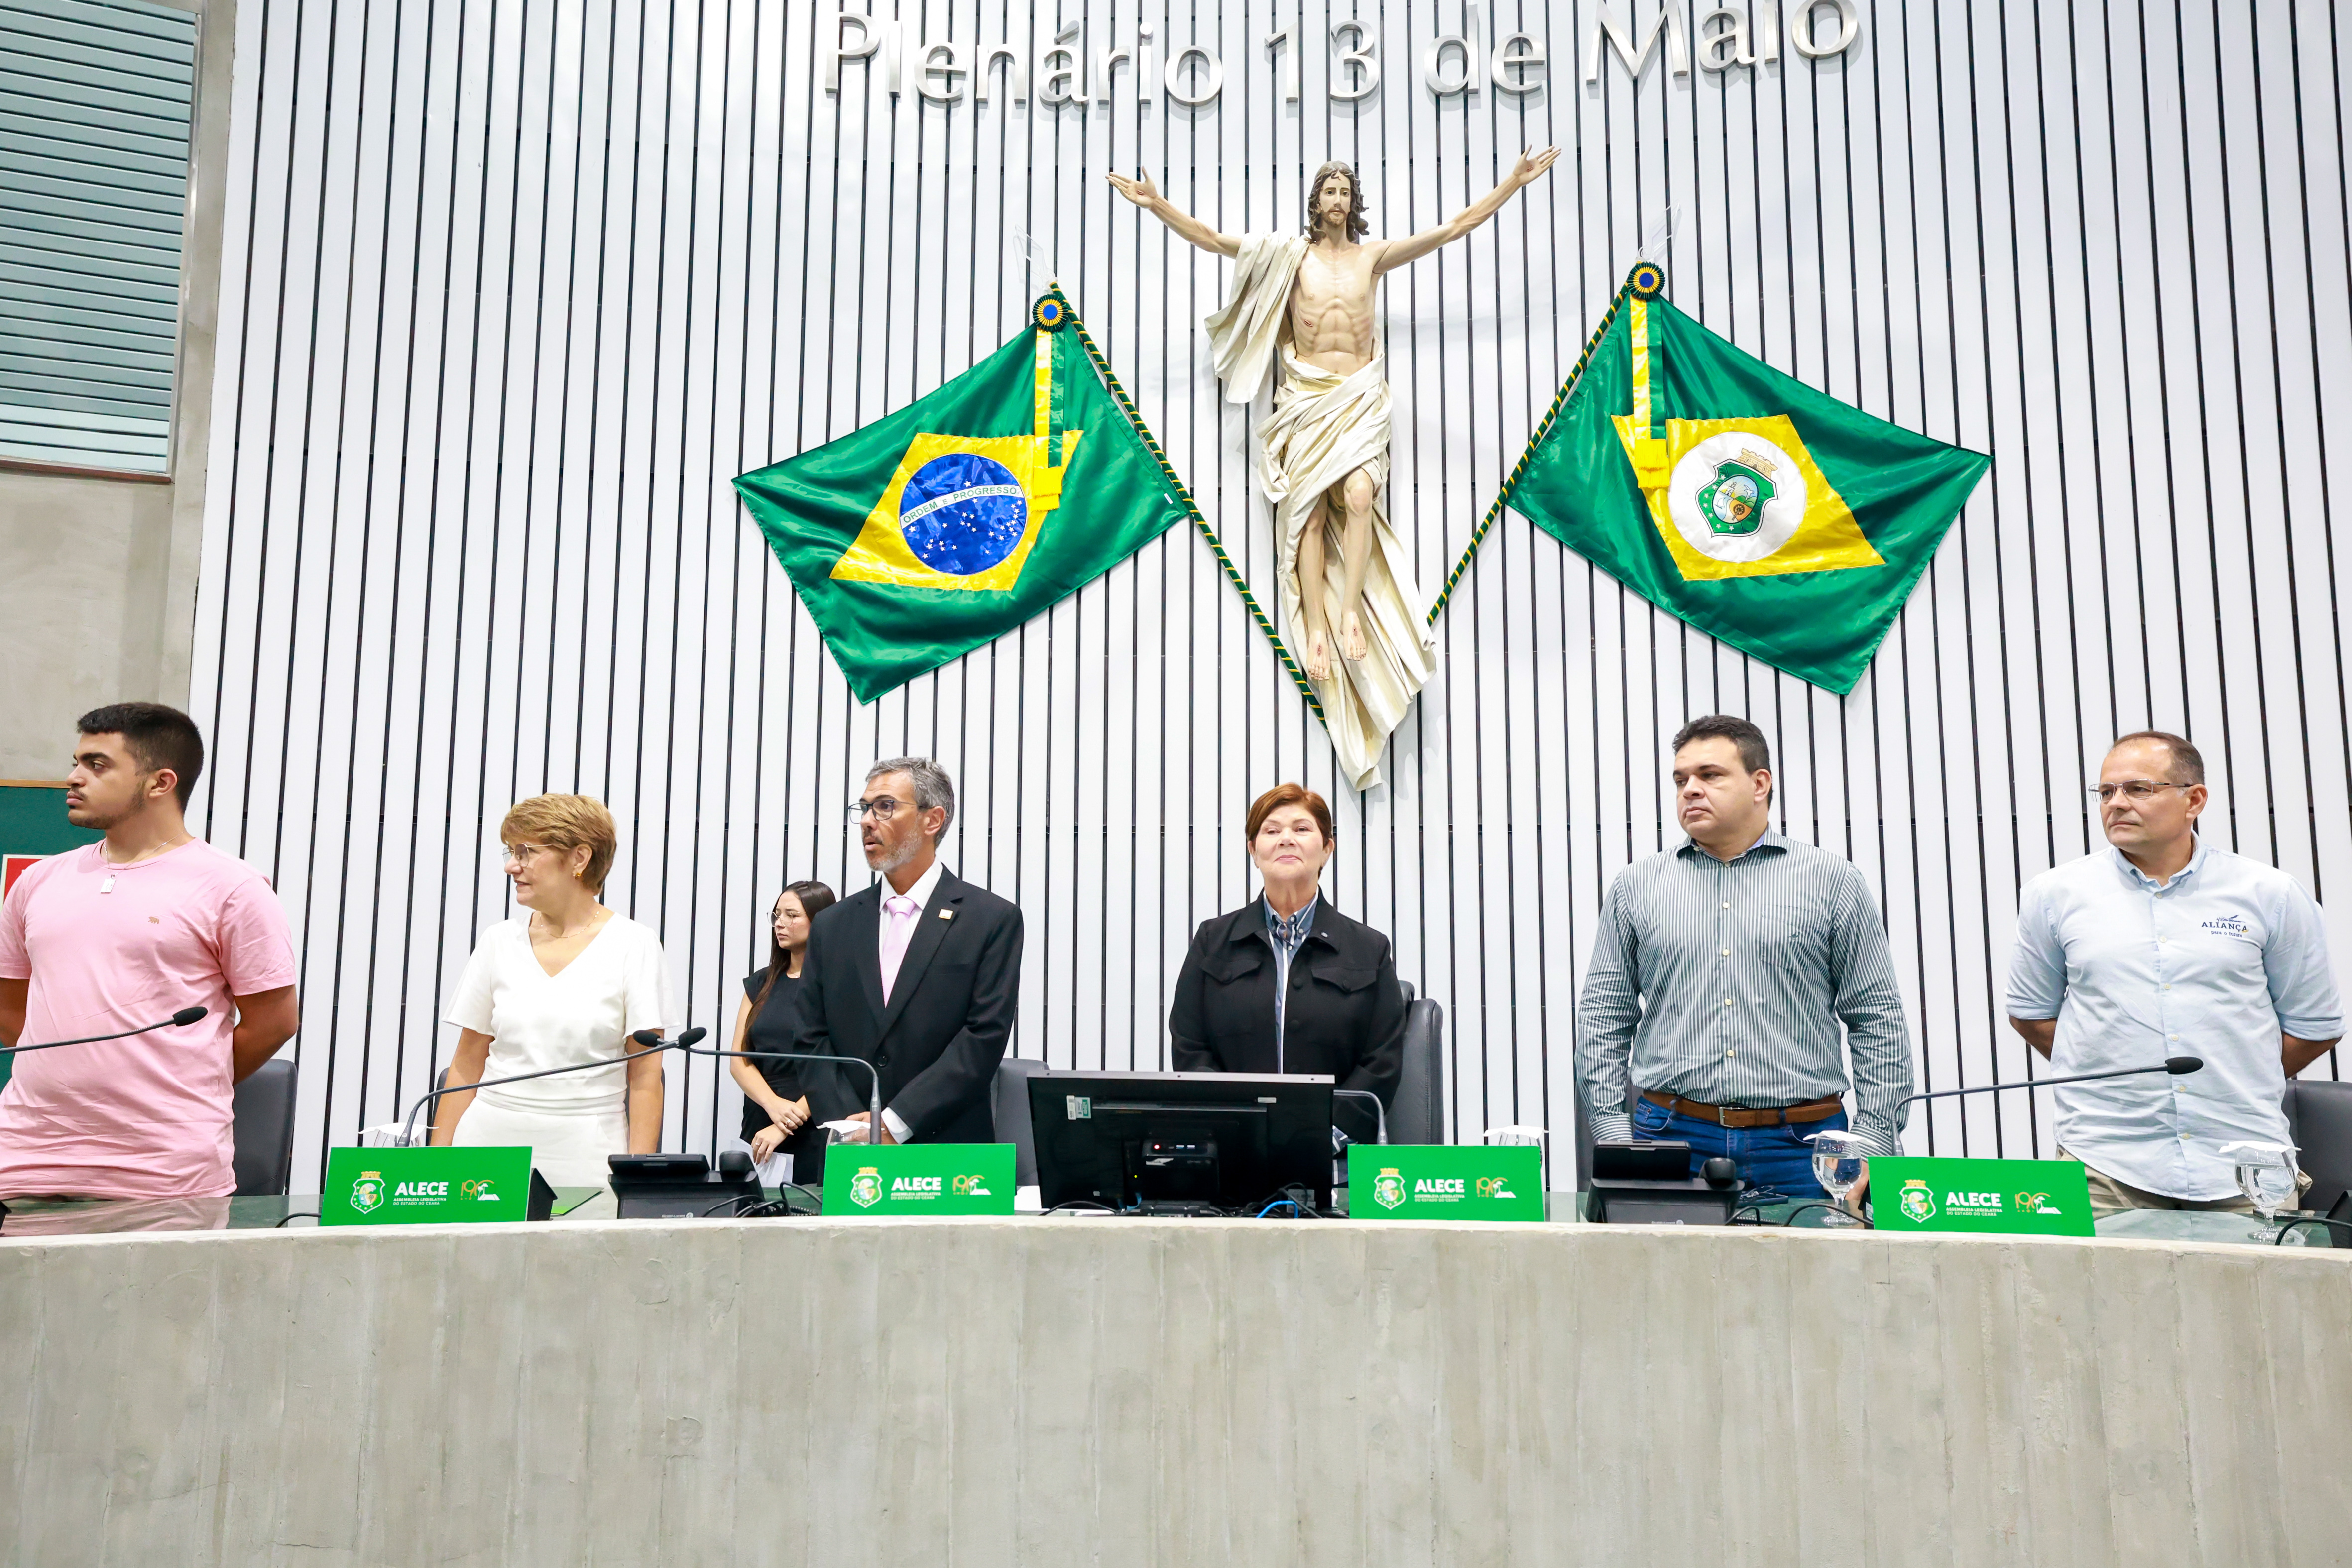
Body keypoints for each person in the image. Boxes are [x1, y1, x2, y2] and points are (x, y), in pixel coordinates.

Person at [1108, 150, 1559, 789]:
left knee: (1359, 491)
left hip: (1359, 394)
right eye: (1329, 189)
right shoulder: (1287, 256)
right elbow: (1210, 239)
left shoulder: (1371, 259)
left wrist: (1510, 184)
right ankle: (1316, 625)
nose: (1339, 198)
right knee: (1308, 515)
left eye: (1347, 189)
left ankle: (1349, 612)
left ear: (1355, 201)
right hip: (1306, 397)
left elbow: (1453, 229)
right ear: (1314, 201)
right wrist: (1155, 205)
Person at [2007, 731, 2343, 1218]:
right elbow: (2031, 1016)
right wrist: (2109, 1063)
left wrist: (2234, 1067)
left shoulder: (2269, 893)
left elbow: (2313, 1027)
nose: (2115, 803)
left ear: (2194, 799)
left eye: (2137, 789)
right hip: (2105, 1164)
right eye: (2105, 792)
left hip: (2243, 1165)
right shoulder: (2053, 895)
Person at [1576, 715, 1913, 1200]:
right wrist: (1612, 1130)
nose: (1689, 789)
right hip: (1669, 1136)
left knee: (1814, 1276)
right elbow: (1602, 1016)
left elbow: (1876, 1018)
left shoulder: (1831, 881)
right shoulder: (1636, 887)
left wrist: (1874, 1140)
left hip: (1805, 1145)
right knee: (1671, 1278)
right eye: (1680, 779)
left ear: (1759, 783)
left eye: (1709, 775)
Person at [0, 703, 299, 1206]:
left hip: (164, 1173)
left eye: (97, 765)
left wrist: (181, 1077)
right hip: (24, 1159)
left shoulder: (233, 888)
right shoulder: (38, 881)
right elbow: (11, 1009)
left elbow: (274, 1020)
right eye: (76, 761)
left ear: (160, 782)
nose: (73, 778)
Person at [432, 794, 677, 1186]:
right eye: (511, 852)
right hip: (484, 1151)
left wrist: (638, 1181)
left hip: (587, 1153)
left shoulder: (635, 944)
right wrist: (435, 1170)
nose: (512, 866)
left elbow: (646, 1077)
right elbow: (466, 1063)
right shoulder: (498, 941)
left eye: (526, 852)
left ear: (579, 859)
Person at [792, 757, 1021, 1146]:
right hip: (849, 1150)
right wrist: (854, 1126)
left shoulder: (990, 919)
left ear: (932, 820)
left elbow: (983, 1037)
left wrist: (894, 1122)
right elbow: (809, 1036)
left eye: (885, 806)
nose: (867, 820)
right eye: (864, 808)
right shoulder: (833, 925)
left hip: (949, 1152)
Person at [1168, 783, 1404, 1144]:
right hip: (1236, 1158)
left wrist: (1327, 1136)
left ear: (1327, 849)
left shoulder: (1368, 948)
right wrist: (1235, 1129)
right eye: (1272, 830)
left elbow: (1382, 1060)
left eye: (1302, 828)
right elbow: (1190, 1046)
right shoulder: (1212, 941)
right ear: (1254, 850)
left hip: (1338, 1165)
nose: (1286, 839)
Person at [727, 879, 837, 1186]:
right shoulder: (760, 984)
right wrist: (773, 1106)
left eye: (792, 915)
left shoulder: (839, 987)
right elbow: (740, 1060)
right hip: (761, 1124)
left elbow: (840, 1065)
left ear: (820, 920)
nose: (780, 924)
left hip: (815, 1123)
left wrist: (788, 1121)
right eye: (777, 915)